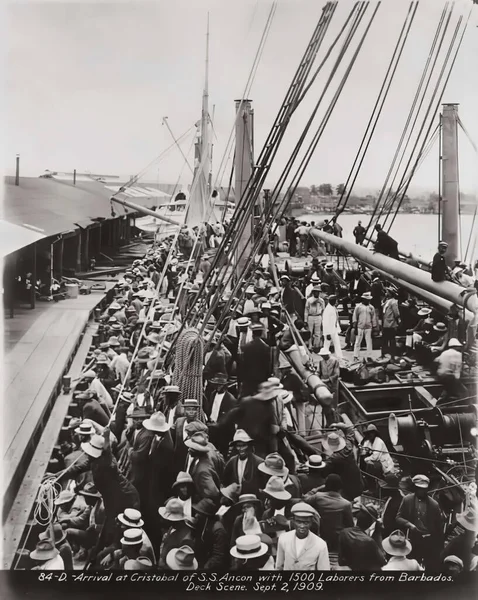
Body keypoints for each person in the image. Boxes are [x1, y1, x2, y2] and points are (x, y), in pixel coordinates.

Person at [303, 474, 353, 567]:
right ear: (340, 488)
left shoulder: (318, 497)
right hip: (336, 540)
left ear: (326, 486)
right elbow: (350, 525)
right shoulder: (346, 504)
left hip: (320, 534)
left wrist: (317, 489)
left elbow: (305, 498)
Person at [396, 474, 444, 570]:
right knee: (412, 566)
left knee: (430, 566)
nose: (421, 491)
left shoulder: (434, 505)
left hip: (429, 540)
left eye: (423, 489)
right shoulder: (407, 500)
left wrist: (439, 547)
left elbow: (439, 527)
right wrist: (409, 525)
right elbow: (398, 517)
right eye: (419, 488)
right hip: (413, 538)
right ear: (415, 488)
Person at [276, 502, 330, 570]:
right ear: (293, 521)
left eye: (306, 522)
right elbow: (279, 566)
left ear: (311, 522)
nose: (302, 526)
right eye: (298, 522)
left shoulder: (321, 545)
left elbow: (324, 571)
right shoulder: (283, 539)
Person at [360, 424, 395, 490]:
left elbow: (375, 457)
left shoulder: (379, 441)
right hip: (377, 463)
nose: (370, 435)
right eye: (369, 433)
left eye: (372, 433)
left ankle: (373, 488)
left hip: (384, 465)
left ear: (375, 433)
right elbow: (363, 452)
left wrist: (366, 459)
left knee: (369, 465)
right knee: (363, 463)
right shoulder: (368, 441)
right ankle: (370, 486)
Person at [352, 292, 378, 361]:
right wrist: (355, 327)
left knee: (369, 342)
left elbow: (373, 318)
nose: (368, 301)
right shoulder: (358, 307)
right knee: (358, 342)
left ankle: (369, 356)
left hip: (368, 327)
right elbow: (355, 317)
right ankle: (355, 356)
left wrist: (374, 327)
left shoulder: (371, 307)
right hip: (360, 326)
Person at [304, 286, 325, 352]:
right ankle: (310, 346)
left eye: (318, 292)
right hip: (311, 316)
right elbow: (306, 310)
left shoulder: (321, 300)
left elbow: (323, 310)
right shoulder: (309, 300)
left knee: (317, 333)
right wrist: (305, 320)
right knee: (310, 332)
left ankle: (316, 346)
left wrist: (323, 319)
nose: (317, 293)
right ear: (313, 292)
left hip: (318, 316)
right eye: (315, 292)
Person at [382, 289, 401, 358]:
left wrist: (397, 321)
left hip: (391, 323)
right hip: (386, 323)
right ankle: (384, 353)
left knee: (391, 340)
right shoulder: (387, 301)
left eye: (387, 292)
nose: (386, 293)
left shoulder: (394, 302)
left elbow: (396, 313)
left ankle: (392, 354)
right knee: (384, 339)